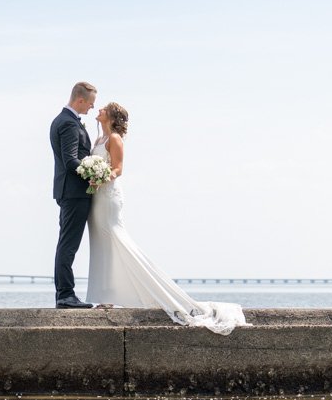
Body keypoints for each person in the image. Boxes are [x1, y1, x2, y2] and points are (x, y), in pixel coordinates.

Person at [86, 101, 245, 334]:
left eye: (103, 109)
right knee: (101, 243)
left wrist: (101, 177)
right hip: (96, 198)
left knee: (115, 241)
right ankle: (106, 294)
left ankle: (120, 295)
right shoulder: (98, 140)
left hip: (108, 195)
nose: (98, 110)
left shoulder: (115, 139)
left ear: (110, 117)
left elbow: (118, 169)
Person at [50, 81, 97, 308]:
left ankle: (64, 293)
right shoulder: (68, 124)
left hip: (68, 191)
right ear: (80, 100)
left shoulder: (63, 120)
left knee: (66, 243)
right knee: (69, 245)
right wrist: (93, 174)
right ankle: (66, 295)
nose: (91, 108)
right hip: (74, 192)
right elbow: (70, 160)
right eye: (90, 104)